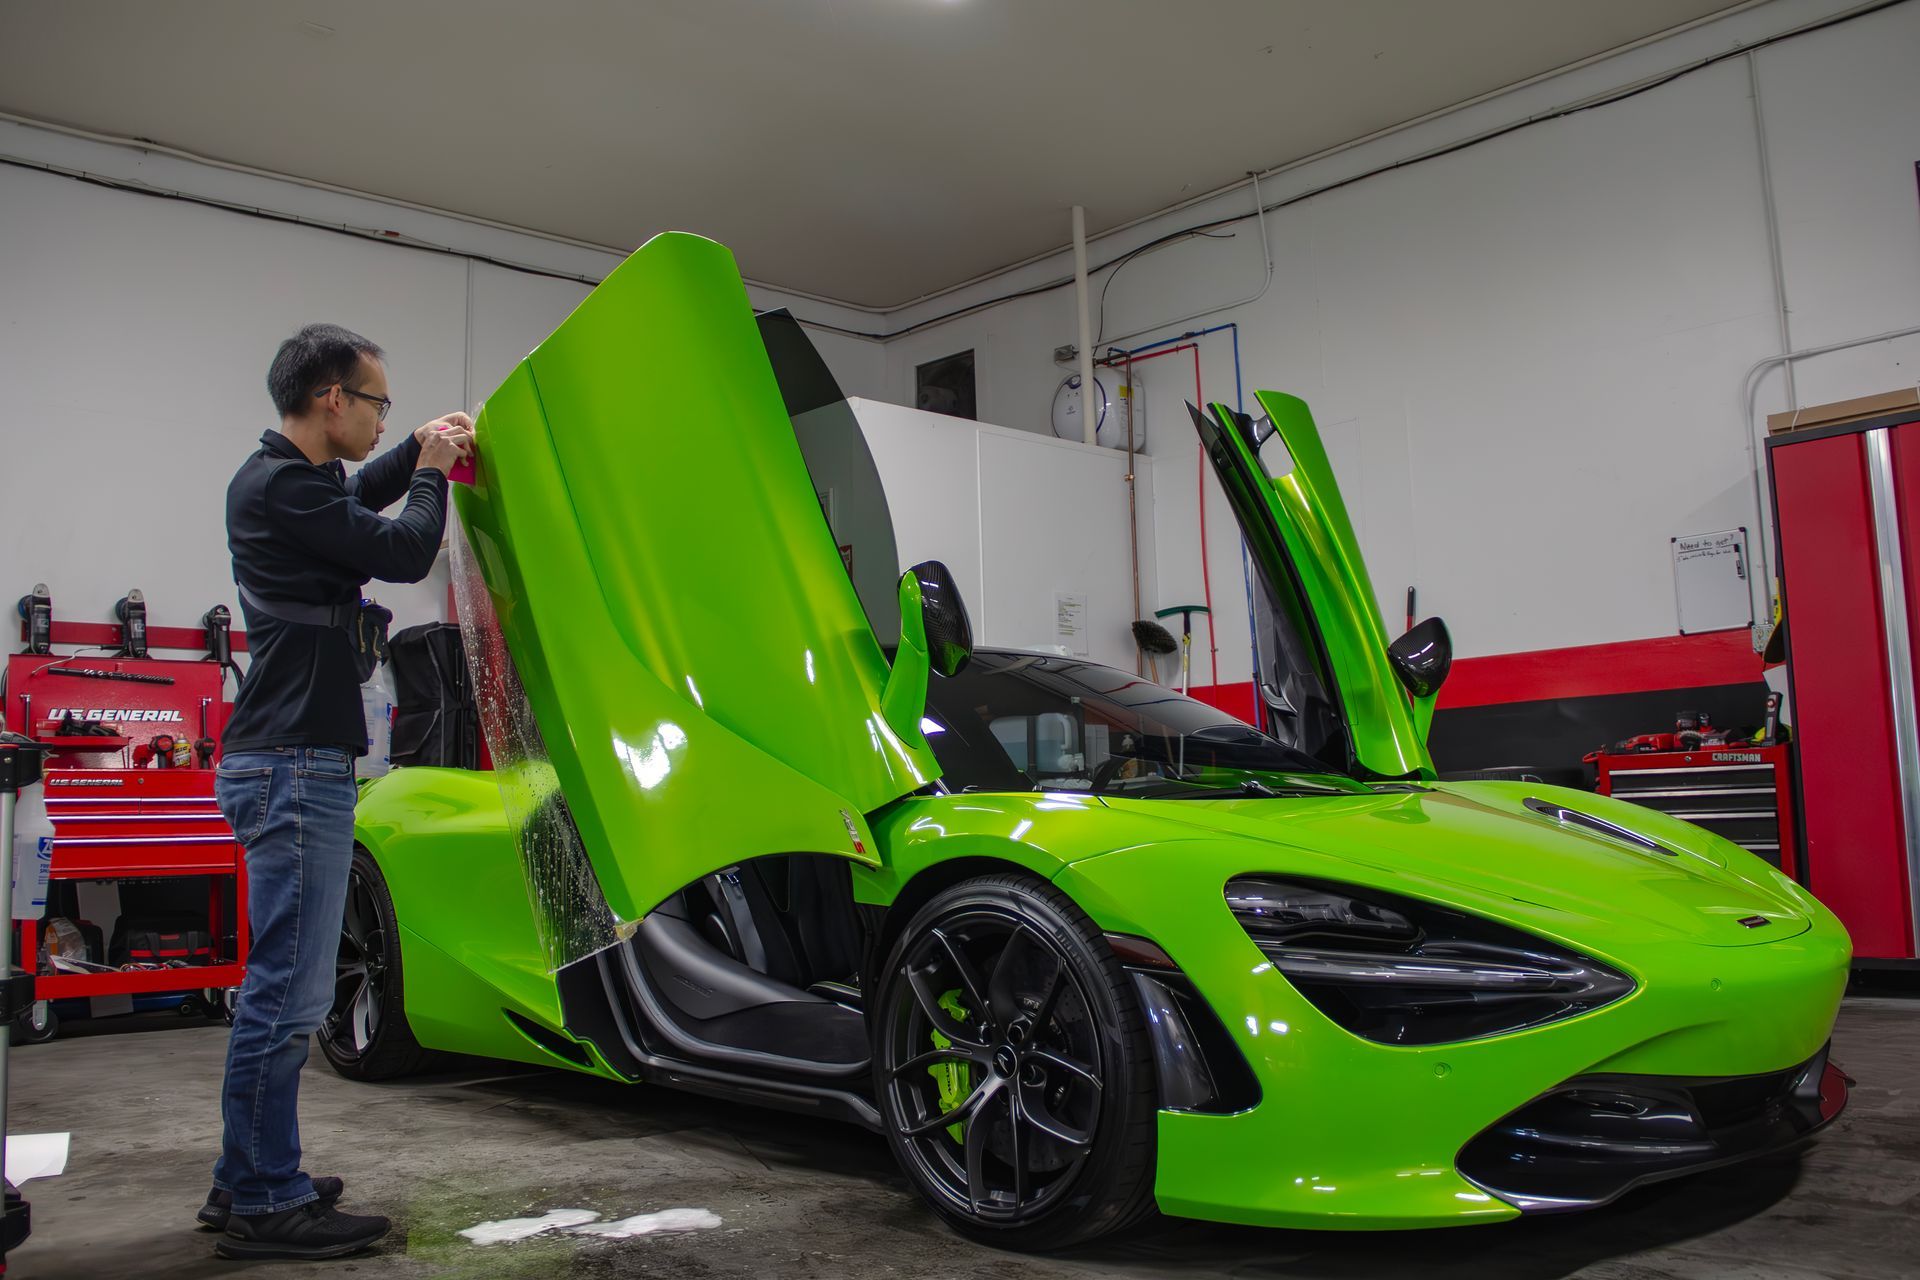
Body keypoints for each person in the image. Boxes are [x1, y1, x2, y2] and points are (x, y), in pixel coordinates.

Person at [205, 323, 472, 1260]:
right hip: (293, 764)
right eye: (377, 405)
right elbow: (400, 549)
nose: (378, 420)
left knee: (278, 983)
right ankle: (268, 1201)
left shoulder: (289, 483)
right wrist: (434, 471)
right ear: (333, 399)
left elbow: (359, 495)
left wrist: (416, 447)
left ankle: (245, 1178)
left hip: (282, 759)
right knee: (289, 992)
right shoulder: (282, 486)